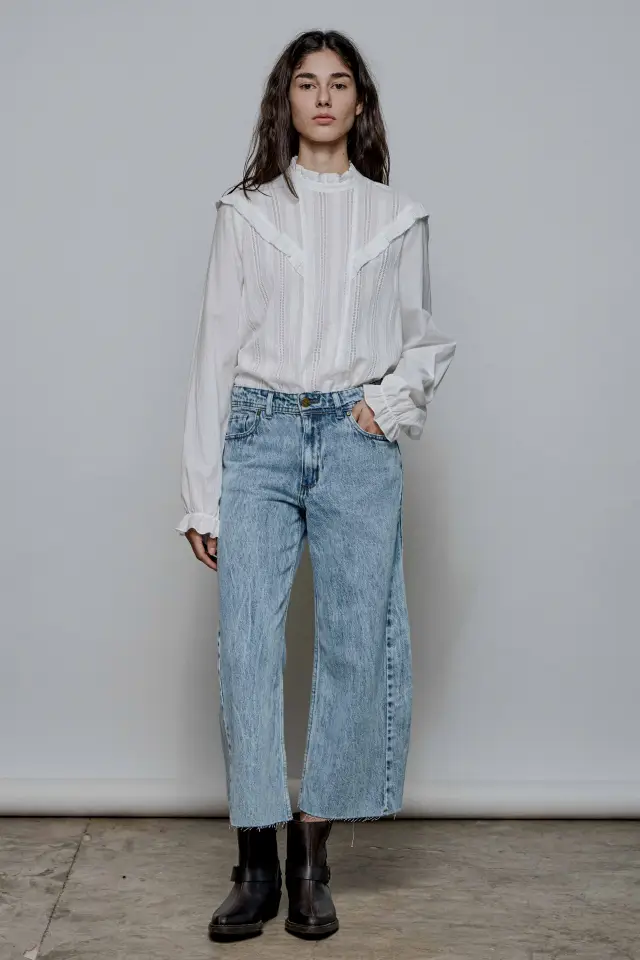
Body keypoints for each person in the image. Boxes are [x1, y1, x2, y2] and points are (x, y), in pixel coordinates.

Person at [176, 28, 456, 942]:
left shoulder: (398, 215)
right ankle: (254, 865)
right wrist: (202, 491)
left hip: (356, 441)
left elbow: (423, 339)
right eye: (307, 83)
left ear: (360, 102)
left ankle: (310, 858)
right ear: (286, 101)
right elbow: (215, 352)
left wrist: (385, 404)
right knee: (248, 647)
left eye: (339, 83)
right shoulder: (246, 212)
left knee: (353, 644)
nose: (324, 97)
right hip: (258, 434)